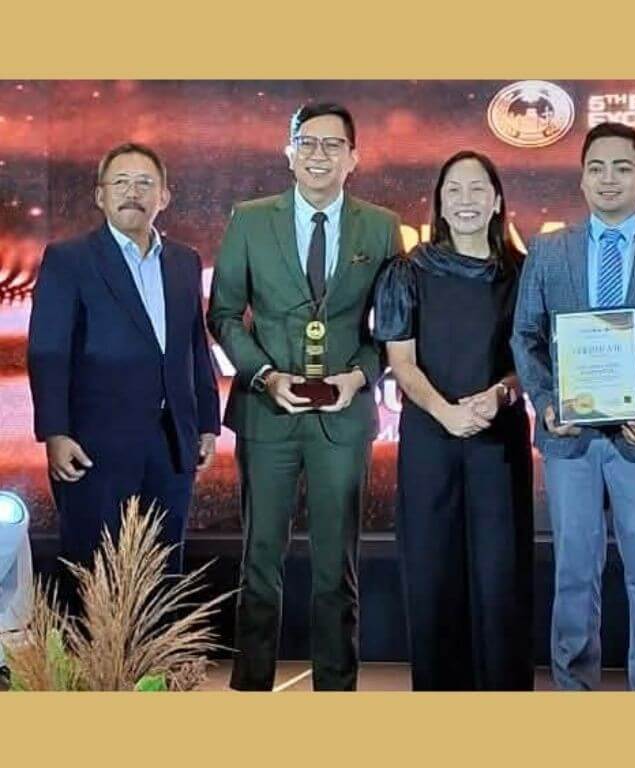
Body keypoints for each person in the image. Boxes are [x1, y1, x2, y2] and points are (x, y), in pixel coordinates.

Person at [207, 102, 403, 691]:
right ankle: (251, 684)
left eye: (332, 145)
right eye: (307, 143)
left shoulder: (381, 225)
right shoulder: (249, 219)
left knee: (334, 565)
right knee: (259, 558)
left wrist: (359, 377)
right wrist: (265, 374)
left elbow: (388, 327)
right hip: (267, 411)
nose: (319, 155)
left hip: (342, 416)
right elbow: (224, 315)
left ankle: (336, 687)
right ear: (288, 151)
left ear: (355, 157)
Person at [512, 122, 635, 691]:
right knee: (575, 571)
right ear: (581, 177)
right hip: (568, 438)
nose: (609, 178)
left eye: (623, 167)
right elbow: (524, 336)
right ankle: (574, 688)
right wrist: (547, 403)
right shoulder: (549, 250)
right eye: (597, 167)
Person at [374, 151, 533, 690]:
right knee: (434, 571)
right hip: (429, 438)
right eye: (454, 191)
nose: (465, 202)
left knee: (500, 576)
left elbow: (531, 358)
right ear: (440, 202)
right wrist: (445, 411)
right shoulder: (408, 270)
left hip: (499, 439)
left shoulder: (523, 272)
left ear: (496, 201)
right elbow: (401, 360)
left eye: (476, 190)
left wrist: (501, 394)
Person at [27, 143, 220, 580]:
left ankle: (153, 651)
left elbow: (195, 348)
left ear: (164, 197)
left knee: (161, 572)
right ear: (100, 195)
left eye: (144, 183)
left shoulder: (184, 262)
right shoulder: (68, 259)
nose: (132, 192)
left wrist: (206, 424)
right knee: (94, 575)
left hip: (171, 446)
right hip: (93, 449)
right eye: (121, 182)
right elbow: (47, 350)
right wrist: (55, 432)